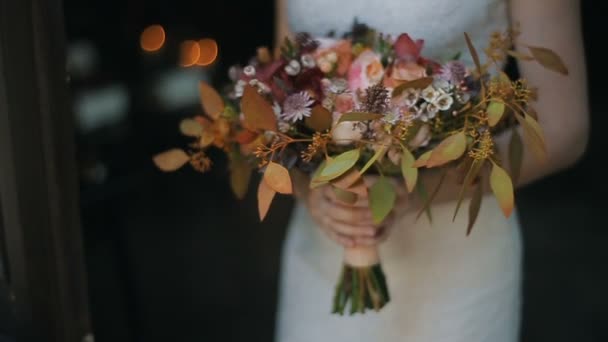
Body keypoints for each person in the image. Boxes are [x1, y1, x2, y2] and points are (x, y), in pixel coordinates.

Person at [273, 0, 589, 341]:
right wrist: (313, 192)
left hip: (456, 263)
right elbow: (279, 96)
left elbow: (563, 130)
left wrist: (411, 190)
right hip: (322, 253)